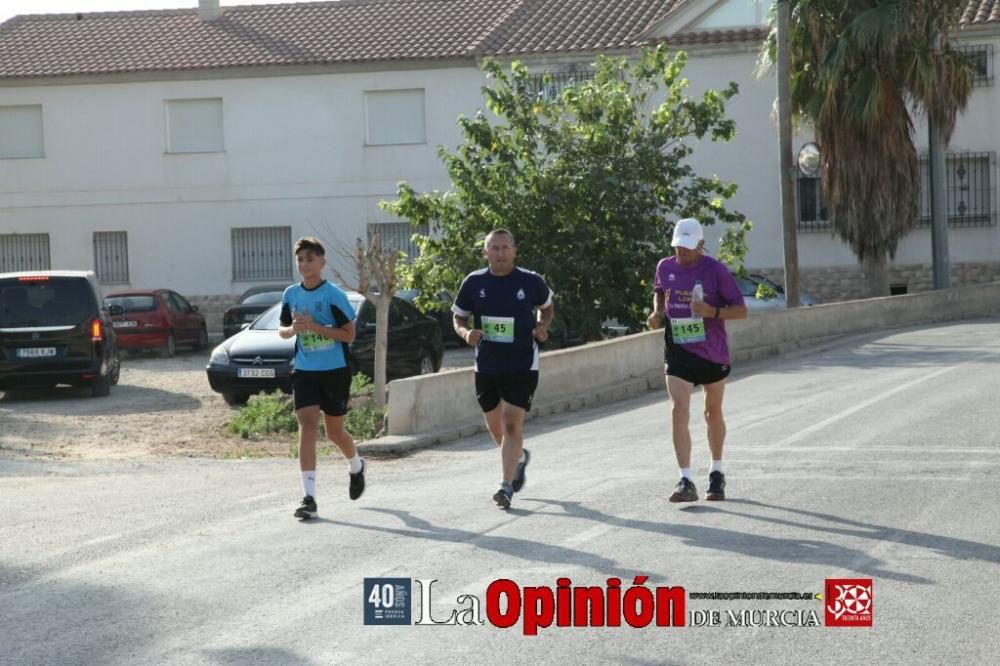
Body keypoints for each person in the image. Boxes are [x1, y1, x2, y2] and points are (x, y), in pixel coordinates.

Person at [646, 218, 747, 503]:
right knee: (679, 410)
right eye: (678, 247)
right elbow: (659, 290)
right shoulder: (665, 266)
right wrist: (656, 312)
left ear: (701, 245)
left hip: (712, 352)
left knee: (711, 413)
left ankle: (716, 471)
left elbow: (740, 310)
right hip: (677, 349)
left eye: (688, 248)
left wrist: (711, 312)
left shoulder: (715, 271)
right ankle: (685, 479)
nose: (682, 253)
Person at [452, 229, 554, 509]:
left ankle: (505, 486)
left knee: (511, 423)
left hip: (522, 361)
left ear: (514, 250)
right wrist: (465, 334)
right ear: (486, 253)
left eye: (505, 247)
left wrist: (543, 327)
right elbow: (458, 316)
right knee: (497, 429)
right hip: (487, 363)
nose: (500, 253)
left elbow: (547, 308)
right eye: (494, 248)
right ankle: (518, 458)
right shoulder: (474, 282)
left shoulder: (531, 281)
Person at [278, 237, 365, 520]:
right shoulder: (290, 294)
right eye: (300, 259)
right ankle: (309, 497)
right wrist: (293, 329)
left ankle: (356, 466)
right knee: (307, 427)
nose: (304, 264)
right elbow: (282, 330)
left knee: (335, 433)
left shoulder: (332, 295)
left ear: (322, 262)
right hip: (304, 371)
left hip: (334, 371)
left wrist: (315, 326)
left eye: (310, 259)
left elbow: (349, 334)